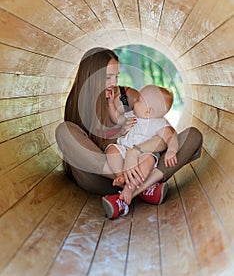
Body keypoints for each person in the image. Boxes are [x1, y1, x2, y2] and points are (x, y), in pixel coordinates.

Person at [55, 47, 203, 220]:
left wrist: (136, 151)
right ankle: (141, 186)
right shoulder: (77, 104)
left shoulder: (127, 96)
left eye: (116, 75)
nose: (113, 82)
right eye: (108, 77)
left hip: (142, 166)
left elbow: (163, 134)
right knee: (63, 130)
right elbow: (78, 150)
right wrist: (118, 134)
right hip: (103, 177)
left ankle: (134, 190)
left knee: (192, 136)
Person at [104, 85, 178, 209]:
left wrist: (172, 150)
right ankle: (121, 176)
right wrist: (111, 104)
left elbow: (171, 137)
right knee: (112, 151)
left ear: (148, 111)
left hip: (143, 155)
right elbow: (116, 119)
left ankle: (129, 188)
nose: (134, 101)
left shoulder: (158, 123)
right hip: (124, 149)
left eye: (138, 100)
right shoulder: (132, 115)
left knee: (148, 161)